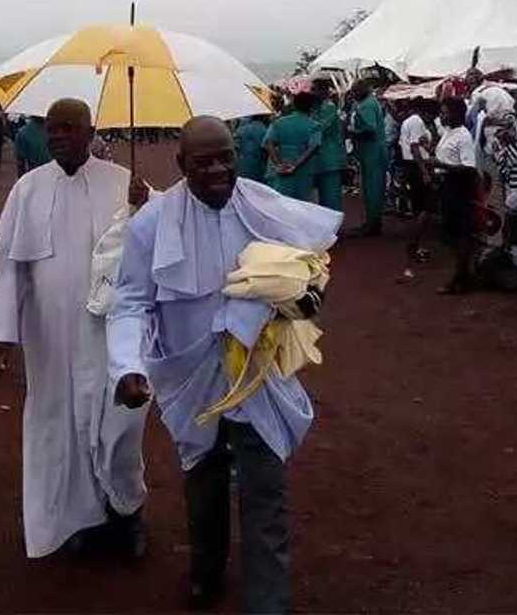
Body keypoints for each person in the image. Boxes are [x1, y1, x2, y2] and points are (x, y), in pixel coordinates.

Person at [108, 116, 341, 612]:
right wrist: (127, 365)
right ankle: (206, 572)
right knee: (204, 481)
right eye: (203, 161)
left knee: (265, 490)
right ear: (181, 165)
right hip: (191, 375)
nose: (218, 169)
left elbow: (309, 268)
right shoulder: (151, 223)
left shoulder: (263, 203)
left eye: (226, 157)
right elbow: (130, 302)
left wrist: (305, 297)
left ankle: (268, 602)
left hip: (260, 373)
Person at [0, 99, 150, 559]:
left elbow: (156, 239)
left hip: (111, 335)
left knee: (119, 428)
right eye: (50, 128)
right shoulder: (27, 189)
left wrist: (146, 205)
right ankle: (76, 520)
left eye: (67, 128)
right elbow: (9, 269)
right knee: (59, 428)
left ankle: (127, 515)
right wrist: (2, 331)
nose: (57, 136)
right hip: (51, 338)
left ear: (90, 130)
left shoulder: (123, 182)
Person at [433, 98, 478, 293]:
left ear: (456, 113)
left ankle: (460, 278)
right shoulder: (448, 132)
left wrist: (441, 166)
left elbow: (469, 168)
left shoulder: (463, 136)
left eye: (445, 112)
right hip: (447, 185)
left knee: (460, 235)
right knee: (451, 235)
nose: (441, 116)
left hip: (458, 187)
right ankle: (462, 276)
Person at [263, 91, 320, 202]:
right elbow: (313, 147)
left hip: (280, 171)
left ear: (294, 104)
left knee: (281, 204)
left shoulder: (279, 122)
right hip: (304, 171)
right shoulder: (314, 125)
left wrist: (278, 164)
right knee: (302, 206)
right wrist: (295, 165)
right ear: (311, 107)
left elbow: (268, 143)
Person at [349, 80, 388, 236]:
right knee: (373, 187)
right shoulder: (370, 102)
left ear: (361, 91)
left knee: (372, 188)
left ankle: (372, 224)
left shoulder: (366, 105)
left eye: (354, 91)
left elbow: (370, 129)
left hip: (372, 152)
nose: (352, 95)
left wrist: (352, 132)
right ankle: (372, 222)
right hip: (372, 151)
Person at [399, 100, 435, 258]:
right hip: (416, 166)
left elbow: (420, 144)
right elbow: (414, 148)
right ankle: (415, 245)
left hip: (415, 165)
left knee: (421, 206)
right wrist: (424, 172)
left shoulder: (413, 122)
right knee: (425, 207)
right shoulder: (416, 122)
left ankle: (416, 243)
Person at [310, 79, 345, 211]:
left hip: (330, 159)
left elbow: (318, 127)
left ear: (323, 91)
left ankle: (333, 229)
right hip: (321, 159)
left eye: (314, 89)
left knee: (330, 199)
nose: (312, 92)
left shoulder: (329, 107)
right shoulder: (317, 107)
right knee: (322, 199)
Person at [234, 115, 269, 183]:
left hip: (241, 166)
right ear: (264, 118)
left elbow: (235, 148)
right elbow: (267, 150)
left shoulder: (240, 130)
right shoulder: (265, 130)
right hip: (259, 168)